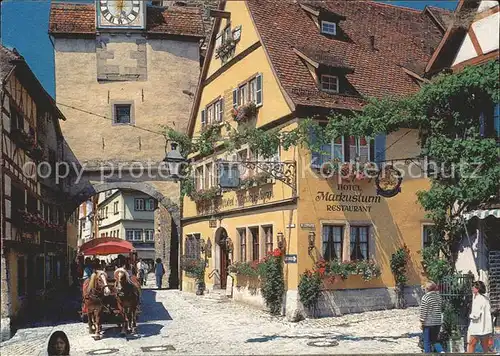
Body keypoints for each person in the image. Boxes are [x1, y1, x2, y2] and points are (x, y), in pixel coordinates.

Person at [468, 281, 493, 353]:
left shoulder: (478, 299)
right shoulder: (486, 298)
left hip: (477, 327)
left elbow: (476, 315)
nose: (472, 288)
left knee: (471, 345)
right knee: (485, 347)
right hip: (486, 327)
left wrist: (470, 316)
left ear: (477, 289)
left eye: (473, 287)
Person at [420, 281, 444, 353]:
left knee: (427, 342)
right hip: (437, 322)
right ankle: (441, 352)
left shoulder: (425, 297)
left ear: (427, 288)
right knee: (435, 340)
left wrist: (421, 322)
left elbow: (423, 311)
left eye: (424, 288)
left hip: (428, 324)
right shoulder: (438, 296)